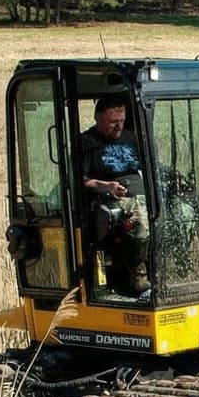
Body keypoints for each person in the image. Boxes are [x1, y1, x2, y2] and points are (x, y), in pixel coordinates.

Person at [80, 96, 151, 298]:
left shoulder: (131, 138)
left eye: (121, 120)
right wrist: (106, 186)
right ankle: (138, 274)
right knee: (142, 216)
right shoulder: (86, 142)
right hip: (109, 197)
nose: (118, 126)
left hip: (142, 191)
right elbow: (80, 181)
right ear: (98, 119)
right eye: (113, 122)